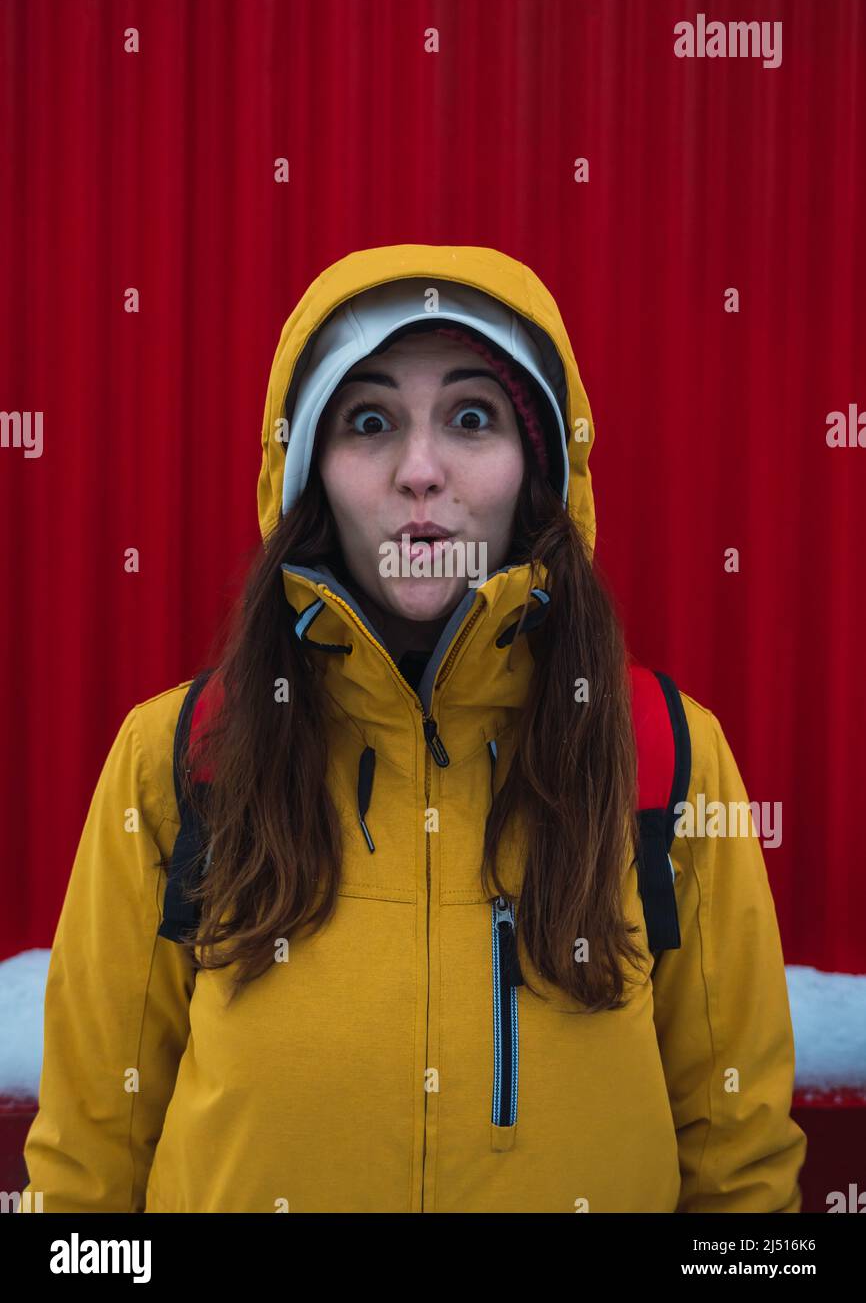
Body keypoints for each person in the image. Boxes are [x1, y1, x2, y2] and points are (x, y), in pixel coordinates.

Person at [20, 243, 806, 1213]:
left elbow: (740, 1162)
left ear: (538, 467)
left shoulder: (662, 753)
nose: (419, 470)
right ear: (309, 470)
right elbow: (87, 1163)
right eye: (368, 421)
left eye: (471, 417)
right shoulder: (182, 757)